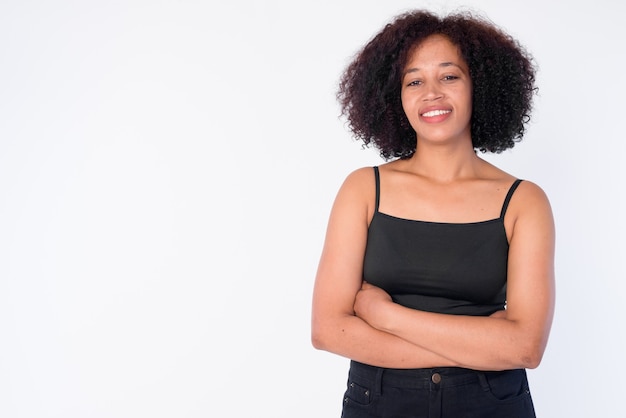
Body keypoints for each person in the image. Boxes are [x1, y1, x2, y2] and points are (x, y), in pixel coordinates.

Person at [311, 9, 555, 418]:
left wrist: (383, 314)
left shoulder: (524, 201)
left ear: (480, 84)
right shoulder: (364, 189)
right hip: (381, 400)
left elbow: (525, 348)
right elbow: (328, 330)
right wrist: (484, 345)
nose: (432, 93)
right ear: (395, 96)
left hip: (491, 404)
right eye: (414, 81)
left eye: (449, 76)